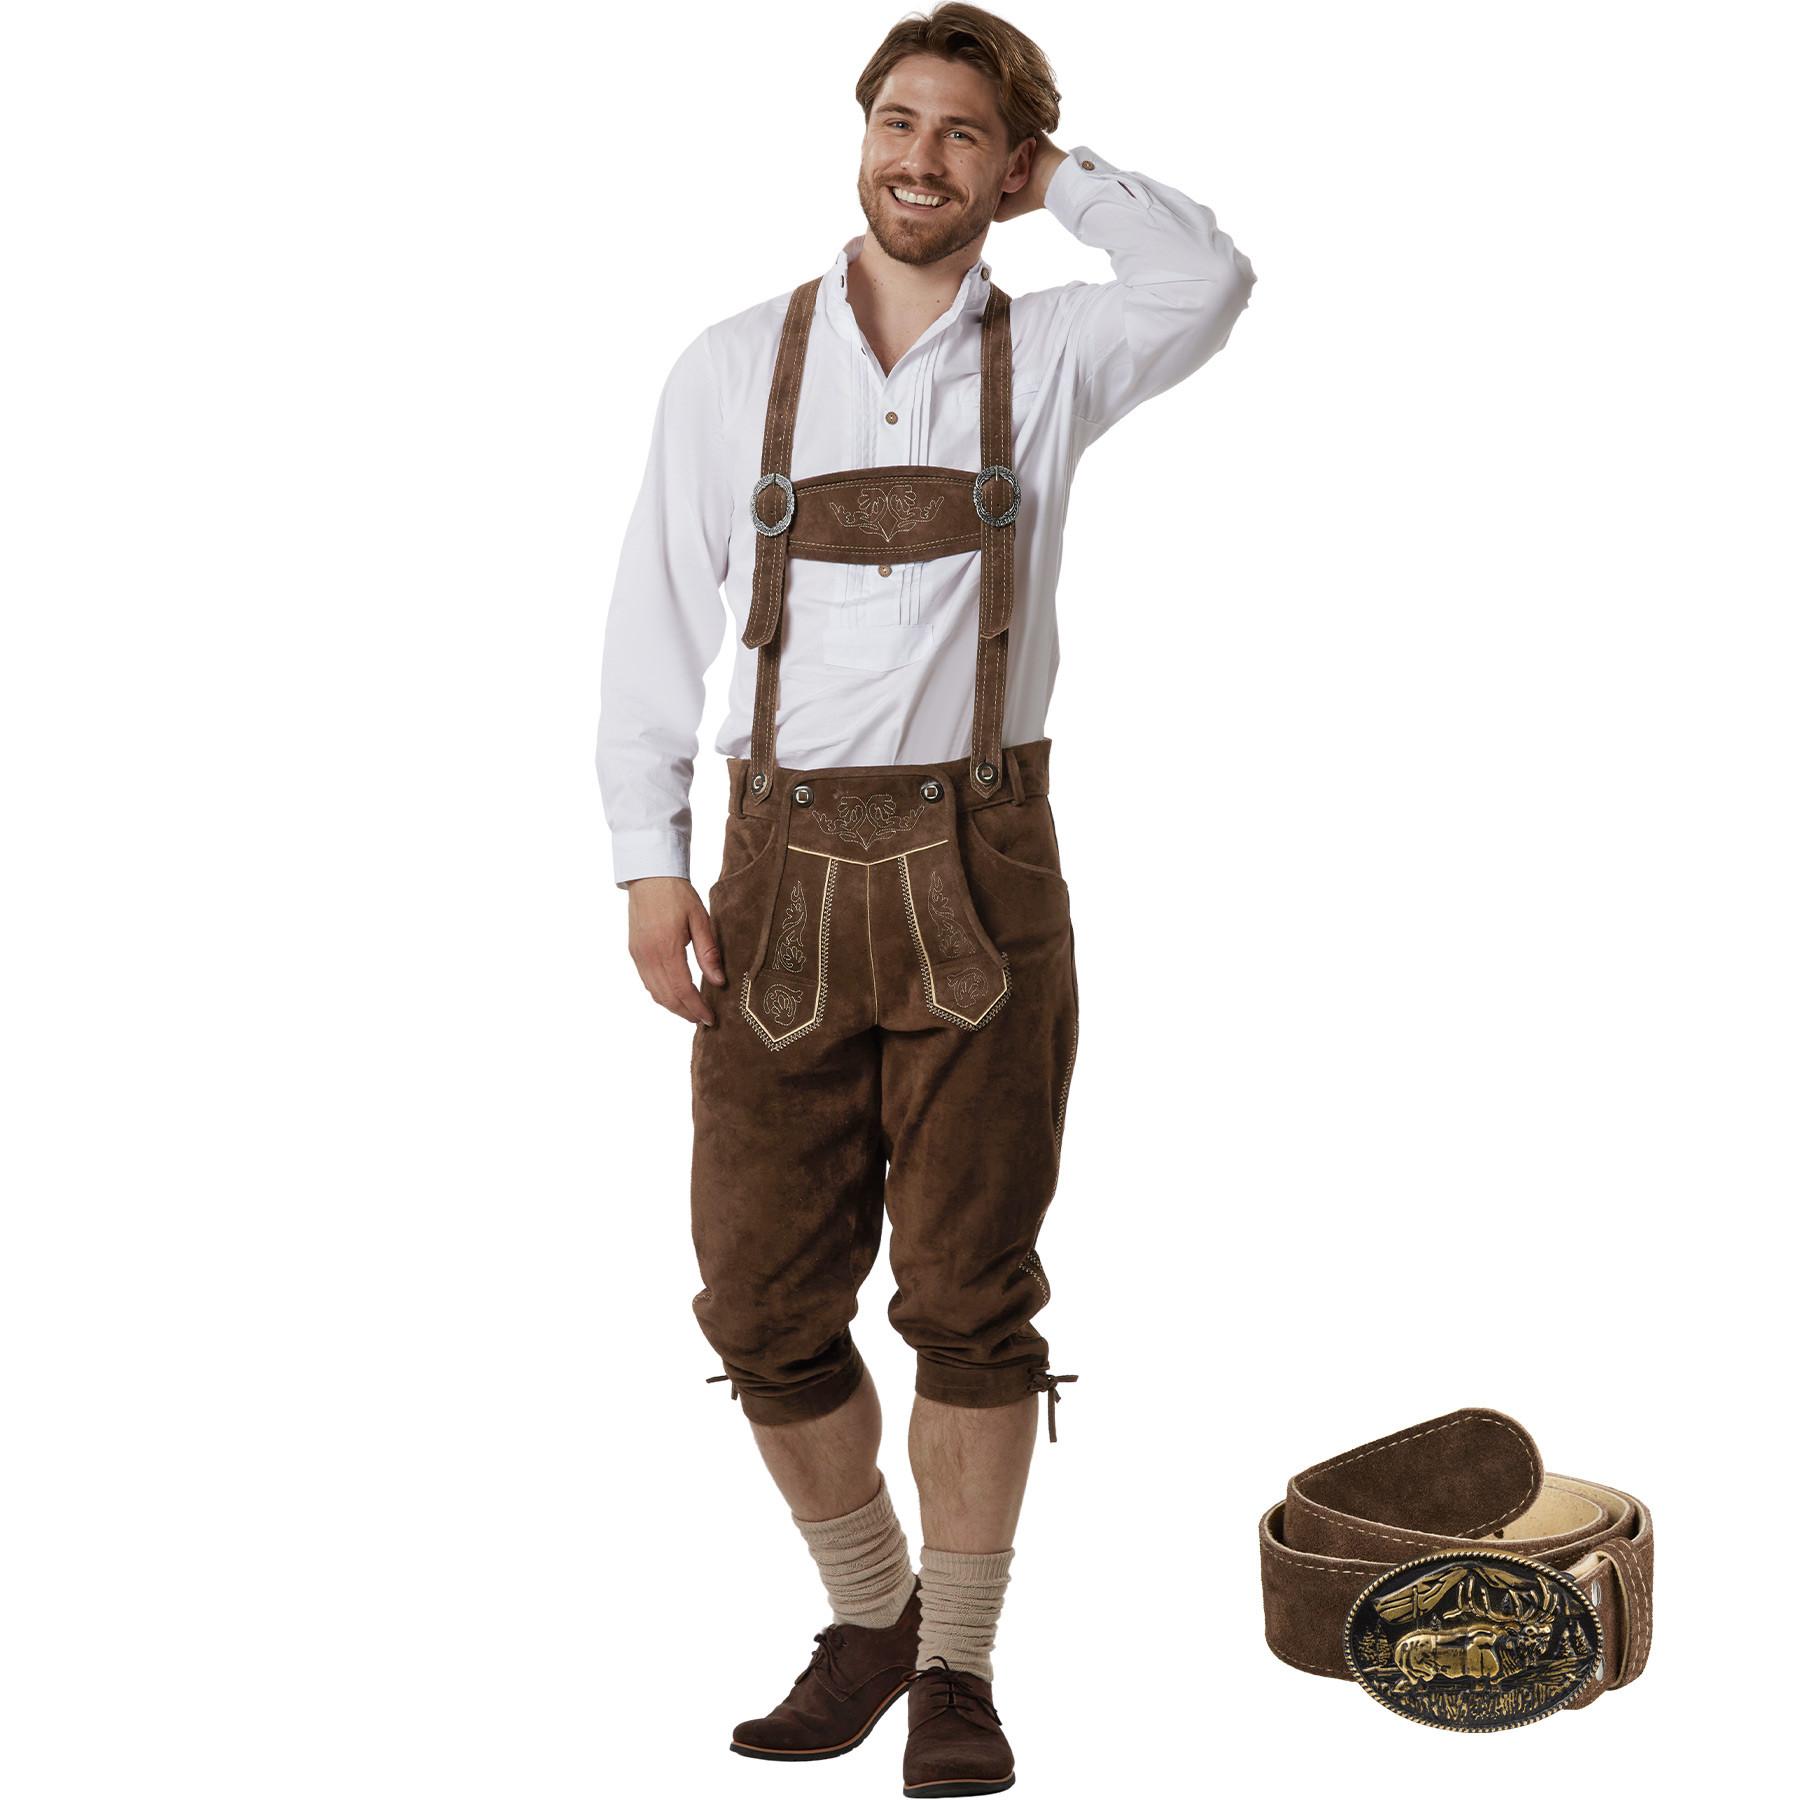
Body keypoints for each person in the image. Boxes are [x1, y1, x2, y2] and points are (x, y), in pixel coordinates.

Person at [595, 6, 1254, 1791]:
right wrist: (650, 862)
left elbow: (1207, 280)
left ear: (1008, 165)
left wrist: (1069, 179)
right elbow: (652, 616)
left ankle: (958, 1664)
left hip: (984, 855)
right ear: (860, 134)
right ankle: (872, 1613)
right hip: (776, 871)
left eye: (965, 133)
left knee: (971, 1293)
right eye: (899, 121)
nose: (921, 158)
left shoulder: (1059, 355)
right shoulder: (736, 363)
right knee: (758, 1300)